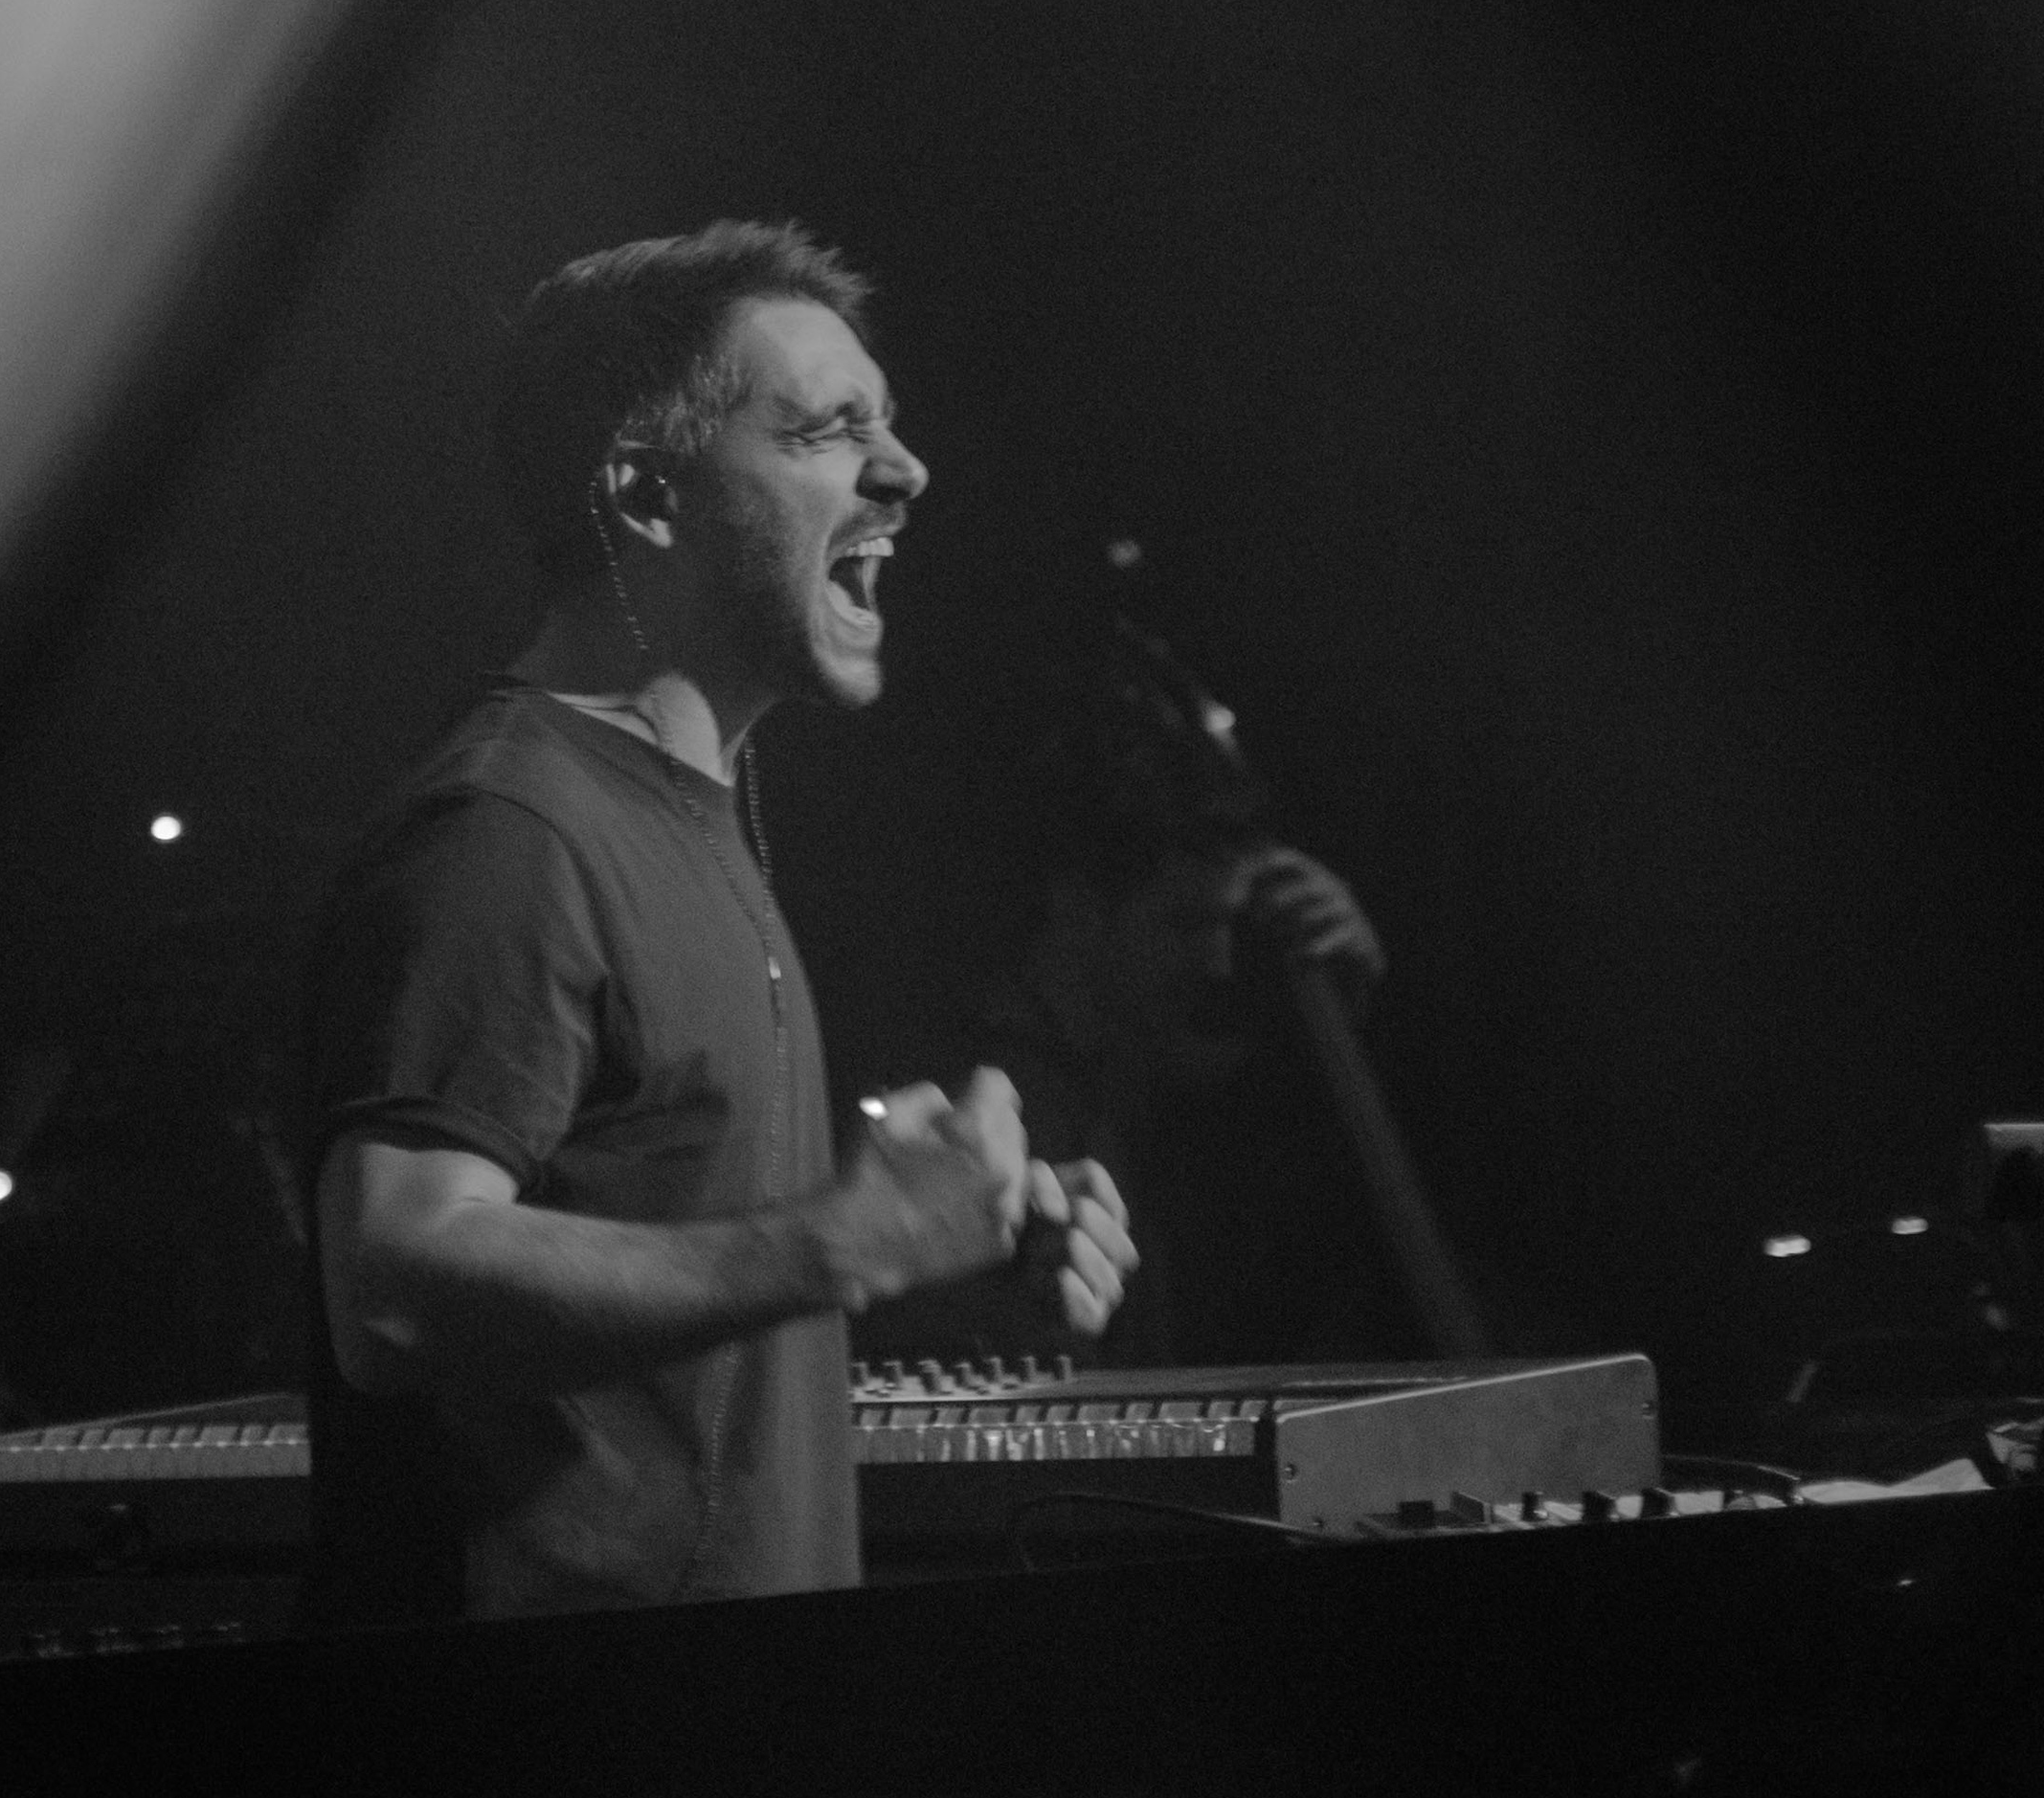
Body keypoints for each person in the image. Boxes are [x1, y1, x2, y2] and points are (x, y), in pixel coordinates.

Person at [303, 221, 1137, 1624]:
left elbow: (666, 1306)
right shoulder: (506, 831)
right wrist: (844, 1243)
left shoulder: (679, 810)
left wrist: (951, 1250)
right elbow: (394, 1283)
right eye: (829, 429)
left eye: (889, 421)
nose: (905, 469)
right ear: (648, 494)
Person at [862, 617, 1386, 1369]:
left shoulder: (1129, 1069)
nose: (1216, 962)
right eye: (1185, 924)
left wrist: (1344, 1004)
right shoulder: (984, 1106)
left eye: (1227, 925)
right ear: (1079, 906)